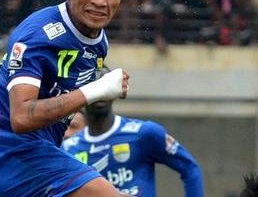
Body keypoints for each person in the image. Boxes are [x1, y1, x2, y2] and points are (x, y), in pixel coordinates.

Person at [0, 0, 130, 197]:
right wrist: (97, 89)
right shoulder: (38, 35)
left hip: (2, 160)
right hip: (16, 160)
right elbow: (21, 118)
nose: (101, 1)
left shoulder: (98, 43)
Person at [62, 66, 204, 197]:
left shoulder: (144, 133)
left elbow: (190, 168)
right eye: (95, 84)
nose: (101, 91)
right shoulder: (69, 149)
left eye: (105, 83)